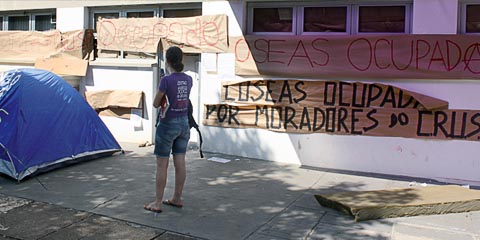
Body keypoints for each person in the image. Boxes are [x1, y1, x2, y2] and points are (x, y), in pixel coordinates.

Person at [144, 46, 193, 213]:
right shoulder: (188, 79)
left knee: (162, 164)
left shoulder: (166, 80)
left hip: (168, 125)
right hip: (184, 123)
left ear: (168, 61)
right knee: (180, 161)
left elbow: (156, 103)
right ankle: (177, 197)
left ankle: (157, 202)